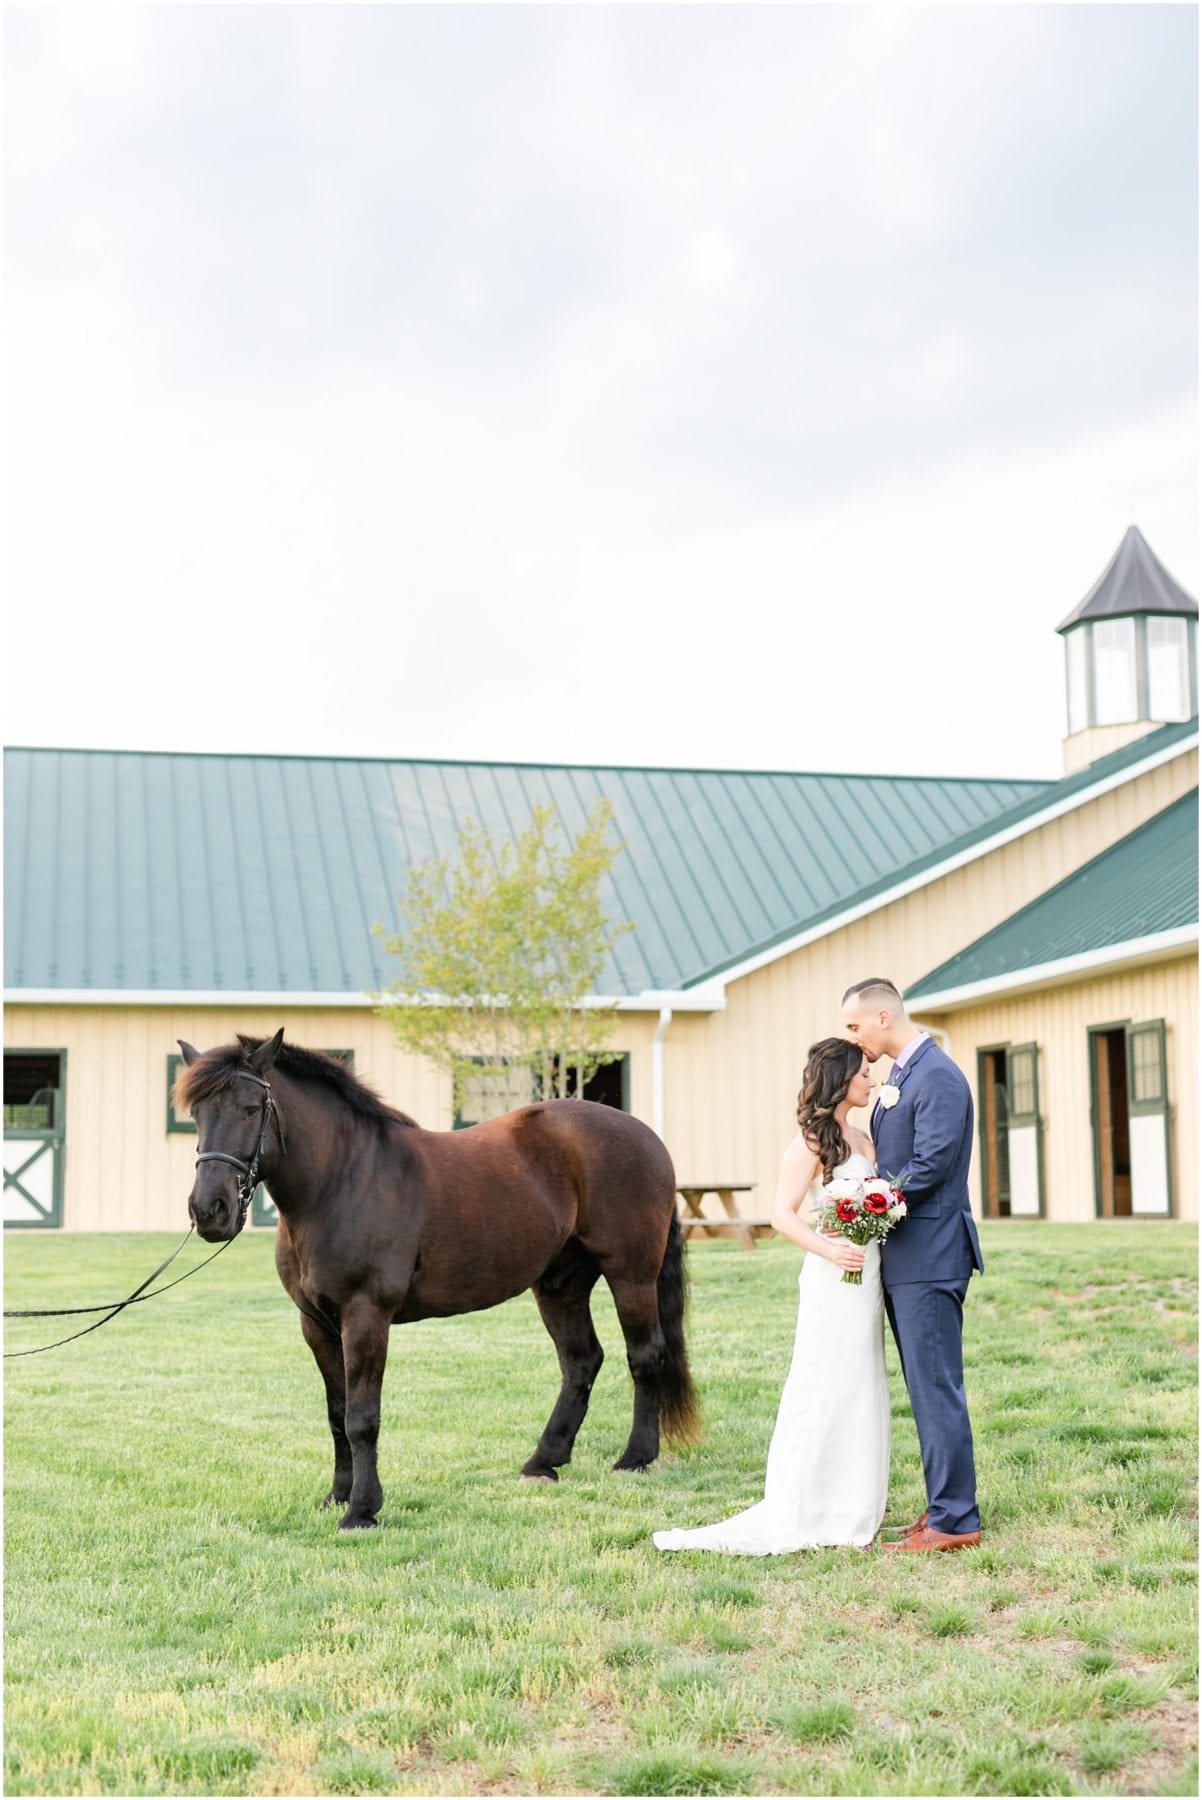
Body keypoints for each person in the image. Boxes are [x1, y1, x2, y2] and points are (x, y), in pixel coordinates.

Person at [652, 1038, 889, 1555]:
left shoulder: (865, 1138)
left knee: (859, 1383)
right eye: (865, 1074)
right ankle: (805, 1507)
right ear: (841, 1079)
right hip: (833, 1278)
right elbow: (781, 1215)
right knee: (821, 1382)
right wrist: (831, 1251)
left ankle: (851, 1507)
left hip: (867, 1276)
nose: (872, 1081)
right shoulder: (808, 1142)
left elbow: (854, 1203)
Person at [841, 977, 983, 1553]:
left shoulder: (939, 1077)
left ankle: (956, 1521)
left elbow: (930, 1166)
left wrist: (870, 1207)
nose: (852, 1038)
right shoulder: (902, 1076)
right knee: (925, 1387)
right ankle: (941, 1506)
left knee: (935, 1386)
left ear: (881, 1017)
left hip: (930, 1253)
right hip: (906, 1257)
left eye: (854, 1026)